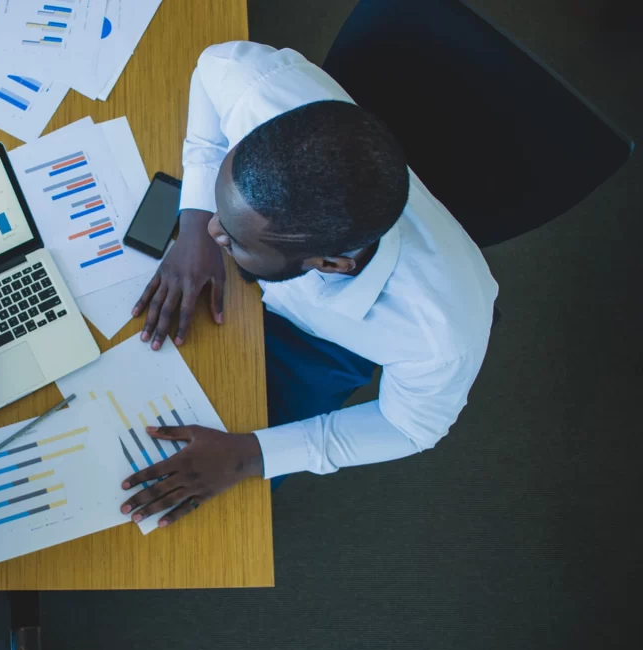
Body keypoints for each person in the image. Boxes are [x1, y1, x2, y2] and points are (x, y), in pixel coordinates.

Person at [120, 41, 499, 527]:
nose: (219, 232)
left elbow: (408, 429)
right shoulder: (260, 88)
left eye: (233, 238)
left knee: (207, 499)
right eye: (222, 214)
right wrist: (194, 225)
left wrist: (248, 455)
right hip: (276, 284)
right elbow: (212, 66)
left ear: (332, 264)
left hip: (333, 344)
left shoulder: (438, 336)